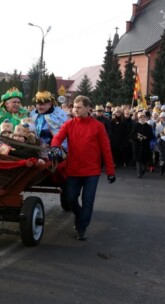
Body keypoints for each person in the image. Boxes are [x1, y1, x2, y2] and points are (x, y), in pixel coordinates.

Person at [51, 95, 115, 241]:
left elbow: (106, 149)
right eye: (74, 107)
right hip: (73, 169)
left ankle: (82, 228)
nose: (75, 110)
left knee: (88, 201)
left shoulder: (98, 126)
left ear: (87, 108)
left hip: (92, 171)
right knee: (71, 199)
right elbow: (57, 137)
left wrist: (110, 171)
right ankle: (79, 216)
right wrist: (55, 147)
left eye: (79, 107)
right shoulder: (69, 124)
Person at [131, 111, 154, 178]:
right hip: (137, 145)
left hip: (145, 145)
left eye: (144, 117)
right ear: (138, 118)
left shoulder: (149, 126)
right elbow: (131, 135)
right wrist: (137, 137)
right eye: (141, 117)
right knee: (138, 160)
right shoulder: (135, 125)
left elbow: (151, 136)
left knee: (144, 160)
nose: (142, 118)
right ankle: (139, 173)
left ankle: (143, 169)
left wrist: (146, 137)